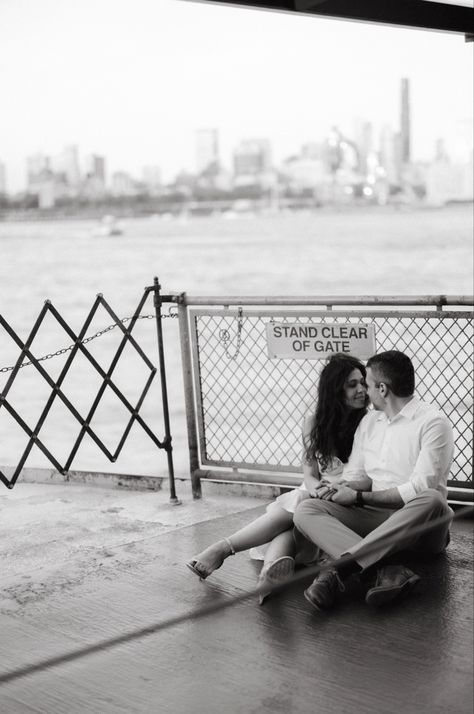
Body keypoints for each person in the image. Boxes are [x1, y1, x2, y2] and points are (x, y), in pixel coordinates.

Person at [186, 353, 369, 603]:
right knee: (301, 508)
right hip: (316, 492)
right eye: (352, 384)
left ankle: (226, 550)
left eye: (363, 383)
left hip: (347, 497)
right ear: (334, 389)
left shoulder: (369, 423)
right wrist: (316, 489)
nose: (361, 389)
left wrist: (330, 491)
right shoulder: (314, 423)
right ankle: (265, 576)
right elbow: (310, 475)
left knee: (299, 511)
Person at [293, 350, 455, 611]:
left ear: (382, 388)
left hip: (420, 525)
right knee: (306, 509)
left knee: (433, 498)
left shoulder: (433, 423)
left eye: (366, 385)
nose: (364, 392)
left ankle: (338, 570)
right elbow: (359, 477)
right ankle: (385, 569)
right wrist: (342, 488)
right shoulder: (369, 422)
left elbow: (417, 490)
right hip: (376, 517)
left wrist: (358, 497)